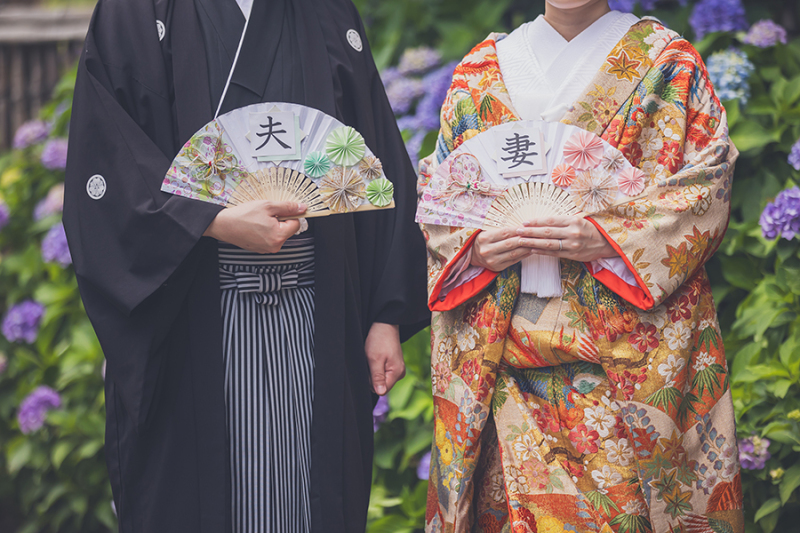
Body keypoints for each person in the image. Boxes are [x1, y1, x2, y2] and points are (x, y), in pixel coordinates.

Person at [63, 0, 429, 532]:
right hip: (193, 321)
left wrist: (386, 315)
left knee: (312, 501)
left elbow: (379, 162)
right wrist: (209, 218)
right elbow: (106, 167)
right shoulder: (136, 11)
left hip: (317, 315)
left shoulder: (325, 12)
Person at [419, 1, 743, 531]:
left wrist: (606, 237)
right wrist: (474, 247)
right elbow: (440, 197)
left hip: (619, 365)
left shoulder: (666, 62)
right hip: (503, 360)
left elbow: (707, 184)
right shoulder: (480, 71)